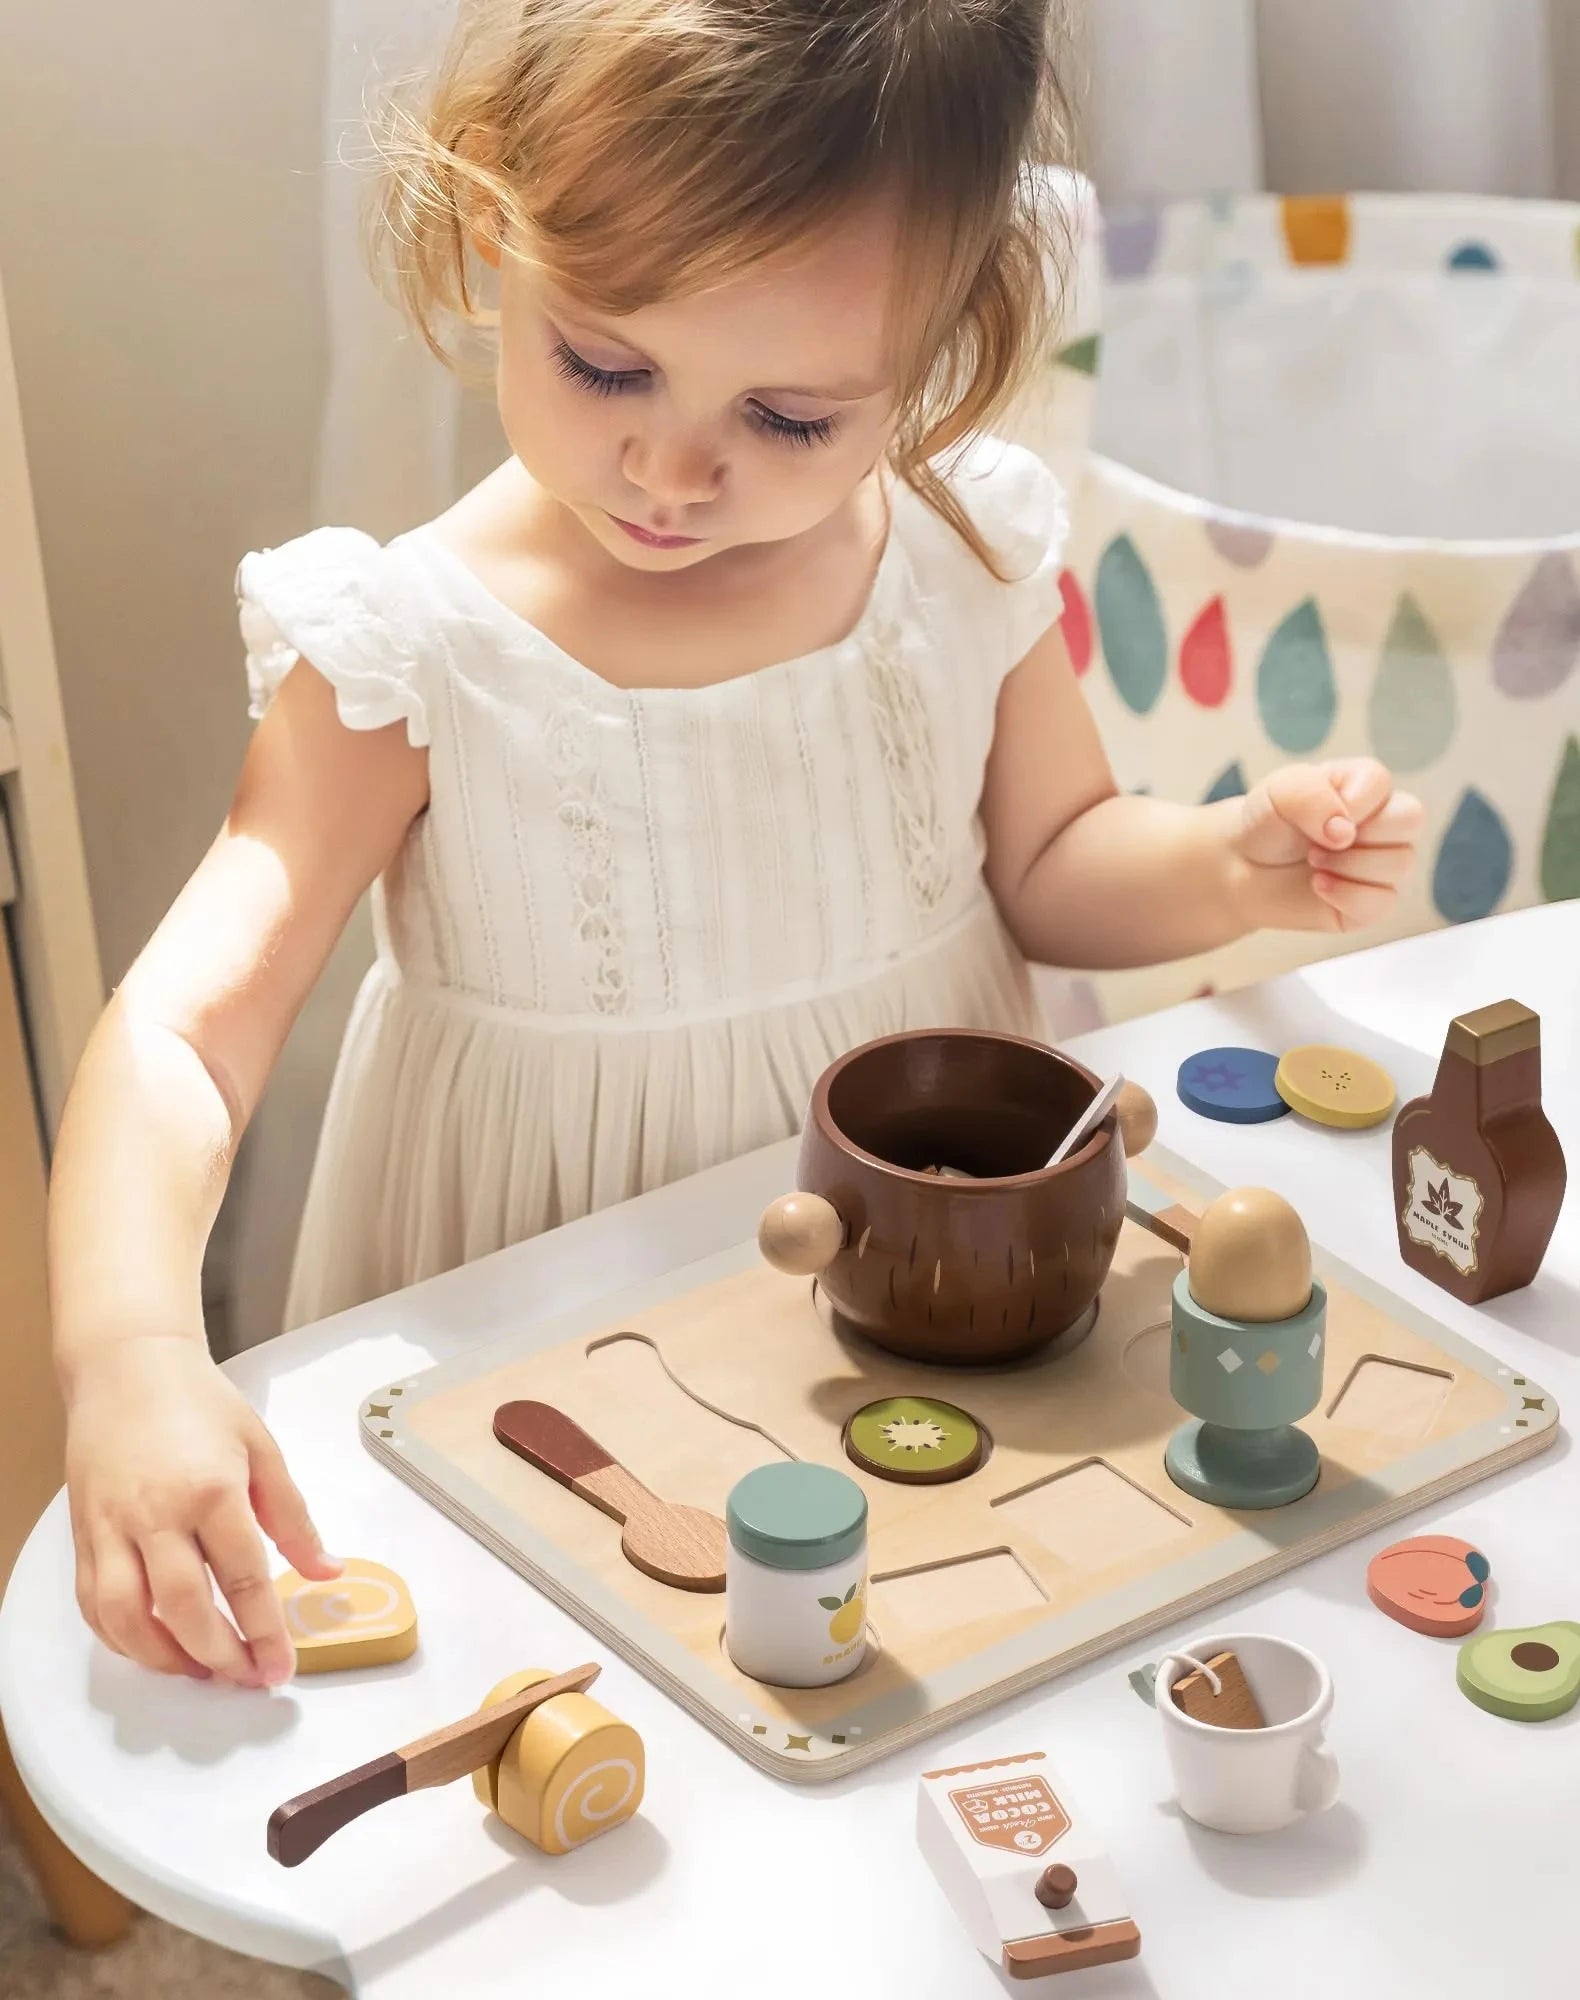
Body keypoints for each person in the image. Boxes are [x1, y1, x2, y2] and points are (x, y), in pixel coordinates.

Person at [48, 0, 1422, 1692]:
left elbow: (1056, 852)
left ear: (939, 344)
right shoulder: (410, 647)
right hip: (545, 1317)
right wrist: (126, 1350)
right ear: (497, 230)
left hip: (934, 1276)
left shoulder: (955, 546)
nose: (671, 466)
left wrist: (1231, 863)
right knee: (569, 1688)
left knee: (939, 1650)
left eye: (790, 420)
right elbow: (188, 1029)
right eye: (608, 363)